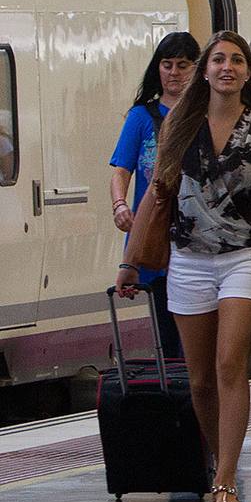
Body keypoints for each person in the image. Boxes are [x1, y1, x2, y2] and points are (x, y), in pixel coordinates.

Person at [116, 32, 251, 502]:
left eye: (237, 60)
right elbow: (157, 195)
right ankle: (221, 458)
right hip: (188, 259)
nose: (227, 67)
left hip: (247, 256)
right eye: (218, 59)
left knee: (228, 363)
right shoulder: (178, 122)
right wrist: (131, 261)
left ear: (248, 73)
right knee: (199, 381)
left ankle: (225, 480)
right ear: (206, 71)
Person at [109, 31, 199, 357]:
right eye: (167, 64)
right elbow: (121, 169)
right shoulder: (141, 118)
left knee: (198, 333)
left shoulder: (206, 116)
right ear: (157, 69)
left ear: (196, 69)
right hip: (157, 236)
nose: (174, 72)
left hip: (198, 237)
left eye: (182, 65)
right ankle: (179, 396)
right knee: (167, 329)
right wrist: (120, 204)